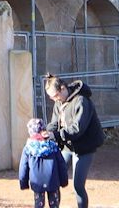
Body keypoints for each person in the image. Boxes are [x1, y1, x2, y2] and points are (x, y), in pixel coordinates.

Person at [44, 74, 103, 208]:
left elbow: (77, 129)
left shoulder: (82, 101)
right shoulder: (59, 102)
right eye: (51, 97)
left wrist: (56, 135)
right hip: (67, 147)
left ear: (63, 88)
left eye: (55, 96)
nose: (55, 100)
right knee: (54, 179)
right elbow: (54, 123)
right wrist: (46, 133)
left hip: (83, 148)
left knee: (78, 185)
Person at [17, 116, 67, 208]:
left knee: (39, 204)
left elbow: (23, 167)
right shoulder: (53, 146)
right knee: (54, 204)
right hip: (53, 180)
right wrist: (63, 181)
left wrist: (23, 183)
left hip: (37, 182)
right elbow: (61, 164)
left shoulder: (28, 148)